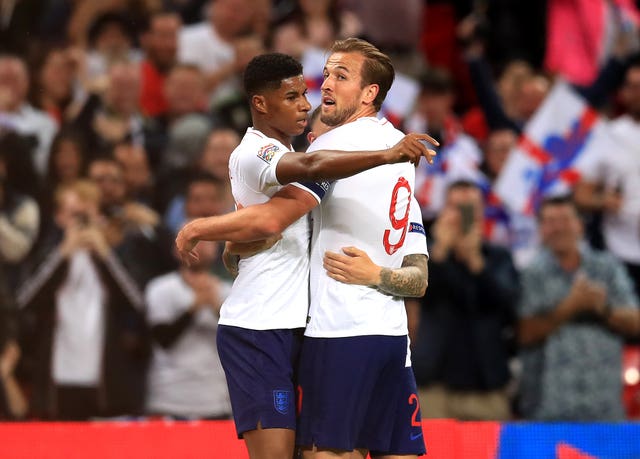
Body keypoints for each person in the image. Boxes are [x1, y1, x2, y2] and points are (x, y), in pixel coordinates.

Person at [176, 41, 434, 459]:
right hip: (352, 334)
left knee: (325, 452)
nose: (322, 87)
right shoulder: (401, 155)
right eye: (325, 75)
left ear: (369, 93)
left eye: (339, 76)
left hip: (333, 330)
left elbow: (276, 216)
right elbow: (418, 275)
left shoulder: (347, 154)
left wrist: (206, 229)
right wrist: (229, 240)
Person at [16, 180, 148, 420]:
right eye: (73, 214)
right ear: (59, 217)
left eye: (86, 214)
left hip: (105, 379)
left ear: (98, 214)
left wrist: (105, 254)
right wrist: (62, 253)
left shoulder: (116, 254)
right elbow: (25, 302)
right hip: (57, 377)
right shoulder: (46, 253)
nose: (80, 222)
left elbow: (137, 302)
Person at [517, 195, 640, 420]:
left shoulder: (607, 268)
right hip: (548, 410)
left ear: (580, 225)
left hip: (605, 408)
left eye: (564, 219)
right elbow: (523, 334)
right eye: (550, 221)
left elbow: (635, 323)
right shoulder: (531, 273)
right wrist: (570, 307)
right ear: (541, 229)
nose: (558, 228)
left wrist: (602, 309)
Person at [409, 180, 519, 421]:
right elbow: (415, 294)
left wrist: (476, 263)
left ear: (481, 213)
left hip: (486, 387)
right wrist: (438, 252)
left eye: (468, 209)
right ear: (443, 212)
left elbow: (509, 308)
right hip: (433, 386)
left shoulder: (498, 257)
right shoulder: (423, 254)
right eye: (455, 208)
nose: (461, 217)